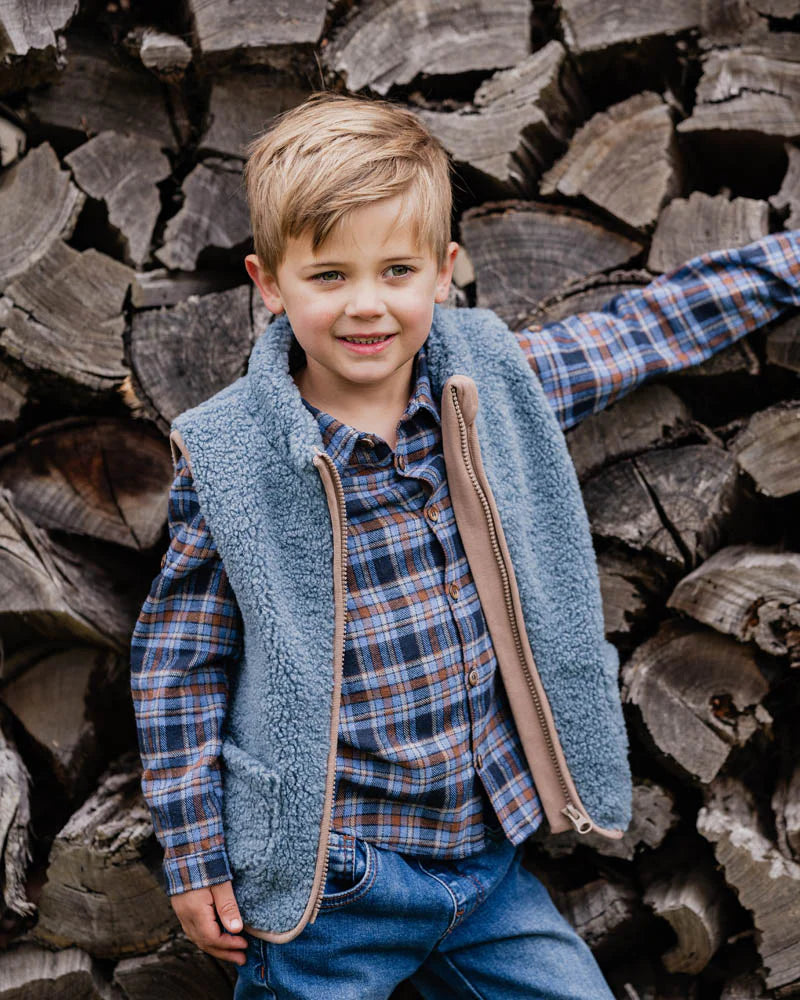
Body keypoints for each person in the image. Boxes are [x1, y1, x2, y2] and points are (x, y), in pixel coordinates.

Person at [130, 91, 800, 999]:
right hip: (334, 882)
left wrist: (786, 266)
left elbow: (642, 331)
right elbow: (178, 666)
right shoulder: (231, 458)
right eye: (328, 276)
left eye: (396, 270)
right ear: (269, 283)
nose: (367, 305)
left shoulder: (493, 385)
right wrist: (193, 855)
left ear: (444, 271)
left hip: (484, 864)